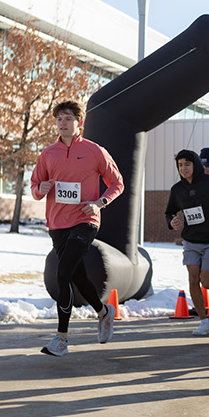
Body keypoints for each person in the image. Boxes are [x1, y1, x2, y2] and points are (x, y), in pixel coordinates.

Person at [30, 100, 123, 356]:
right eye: (59, 119)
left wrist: (100, 202)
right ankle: (104, 312)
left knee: (62, 274)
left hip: (85, 220)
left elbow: (117, 183)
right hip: (57, 224)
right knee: (78, 277)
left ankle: (61, 339)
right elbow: (35, 186)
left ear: (79, 122)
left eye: (68, 118)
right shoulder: (48, 154)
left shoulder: (95, 151)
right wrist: (41, 189)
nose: (63, 123)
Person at [165, 149, 209, 337]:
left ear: (195, 164)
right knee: (193, 279)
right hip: (190, 241)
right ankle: (204, 322)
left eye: (187, 164)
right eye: (180, 165)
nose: (183, 168)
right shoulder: (177, 190)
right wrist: (172, 221)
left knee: (207, 282)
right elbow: (169, 211)